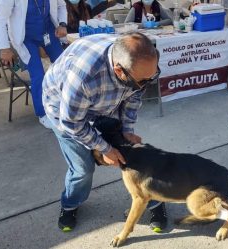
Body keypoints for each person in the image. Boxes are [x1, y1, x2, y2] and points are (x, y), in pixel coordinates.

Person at [42, 32, 168, 232]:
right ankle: (70, 204)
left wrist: (127, 130)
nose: (146, 84)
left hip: (106, 105)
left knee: (135, 160)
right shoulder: (83, 77)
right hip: (66, 113)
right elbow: (72, 123)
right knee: (82, 169)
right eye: (142, 81)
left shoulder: (137, 67)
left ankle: (155, 201)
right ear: (119, 70)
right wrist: (105, 149)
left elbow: (133, 97)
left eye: (151, 77)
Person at [0, 0, 67, 129]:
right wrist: (4, 48)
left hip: (49, 31)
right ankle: (43, 113)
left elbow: (61, 5)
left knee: (65, 68)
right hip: (26, 37)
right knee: (38, 75)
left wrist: (62, 24)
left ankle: (69, 105)